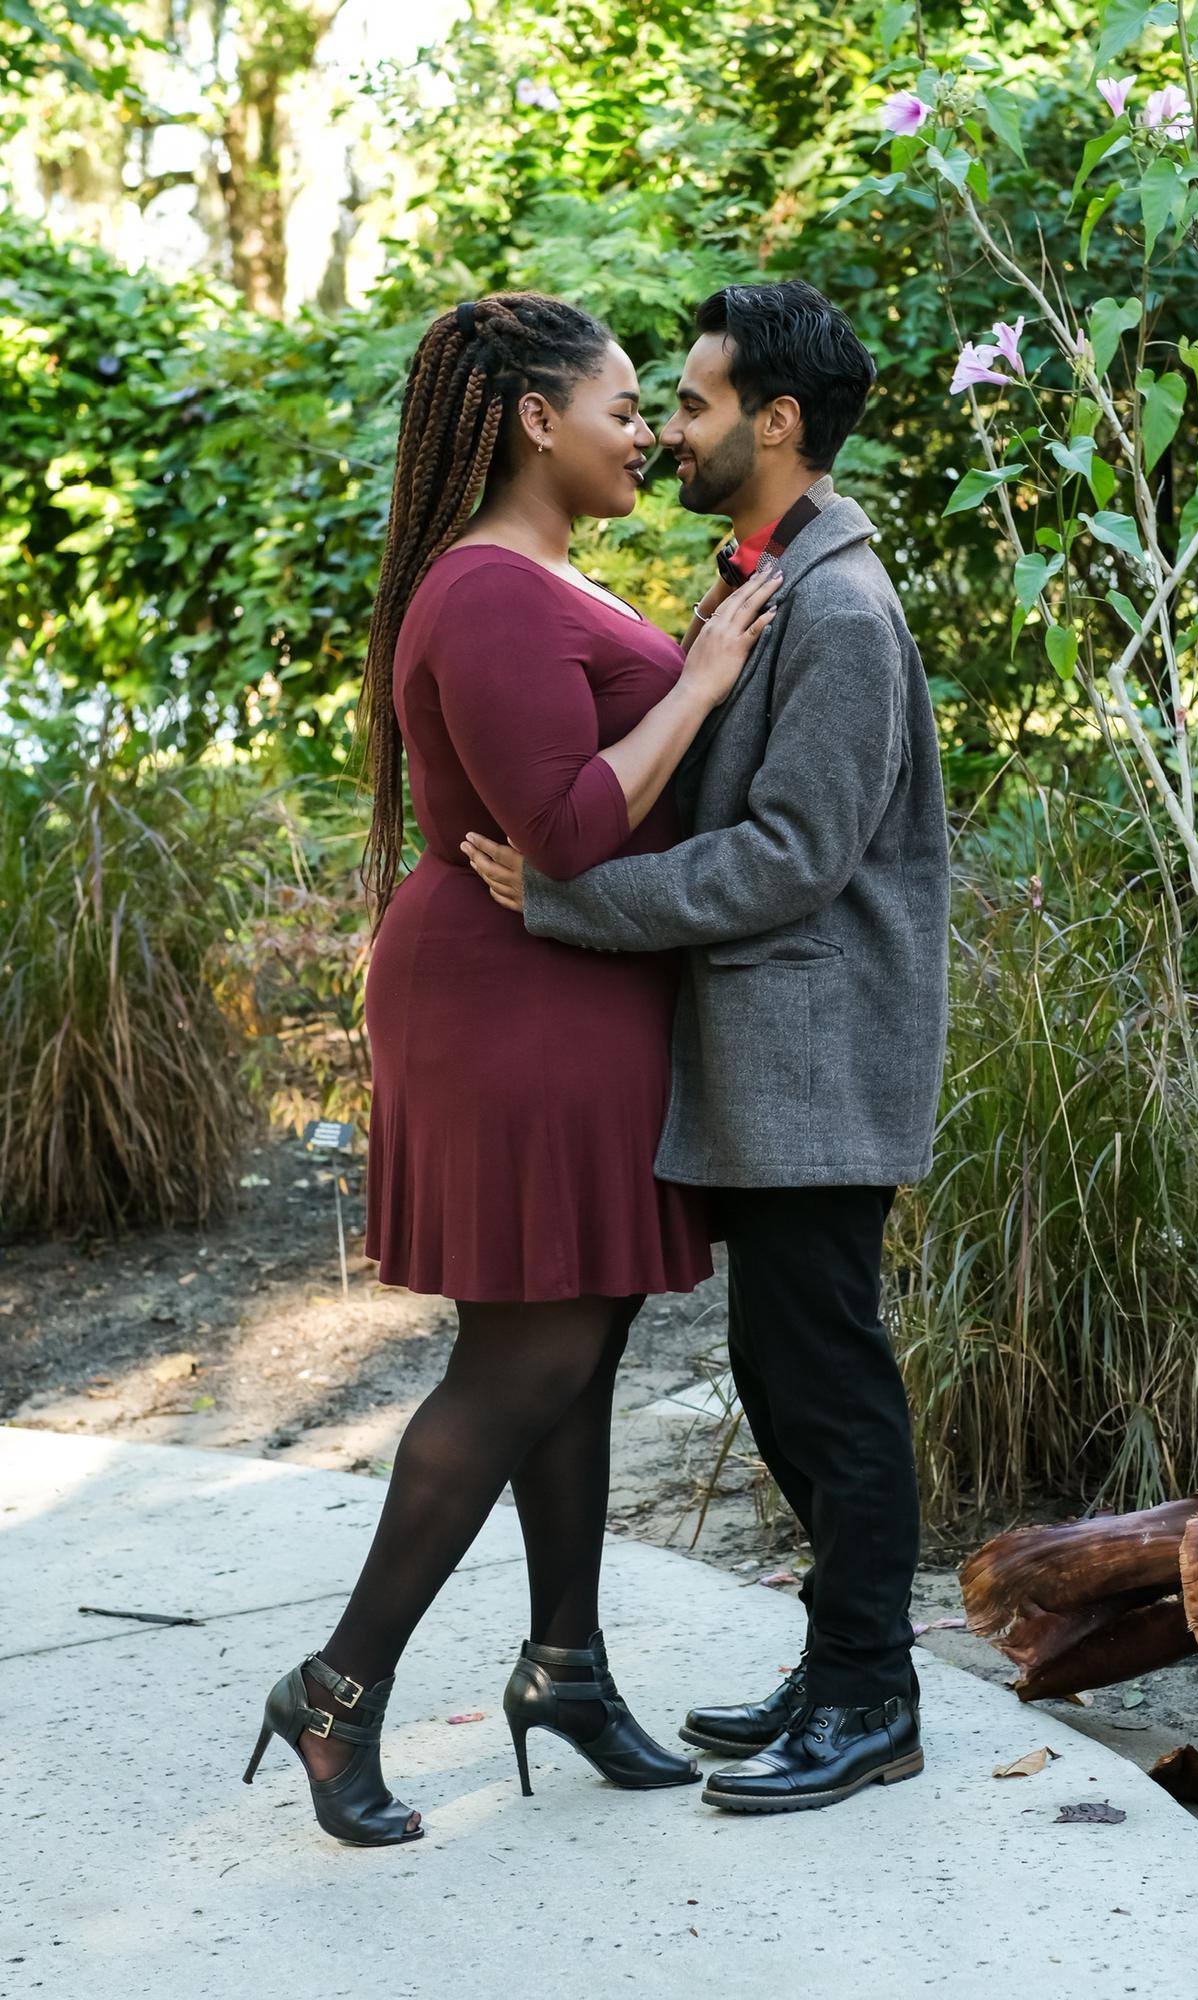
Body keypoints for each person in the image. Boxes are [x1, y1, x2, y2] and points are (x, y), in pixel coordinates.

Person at [242, 291, 781, 1846]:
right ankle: (335, 1693)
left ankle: (566, 1668)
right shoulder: (484, 591)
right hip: (510, 999)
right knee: (524, 1362)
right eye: (625, 406)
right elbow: (561, 833)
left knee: (579, 1346)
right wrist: (701, 680)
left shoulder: (540, 577)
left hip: (571, 992)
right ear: (538, 420)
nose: (649, 433)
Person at [463, 278, 951, 1816]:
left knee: (827, 1383)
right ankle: (842, 1664)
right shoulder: (772, 582)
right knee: (782, 1371)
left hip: (820, 1064)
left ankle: (871, 1697)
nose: (669, 429)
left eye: (691, 403)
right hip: (768, 1065)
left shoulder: (842, 610)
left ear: (777, 421)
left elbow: (790, 858)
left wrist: (570, 899)